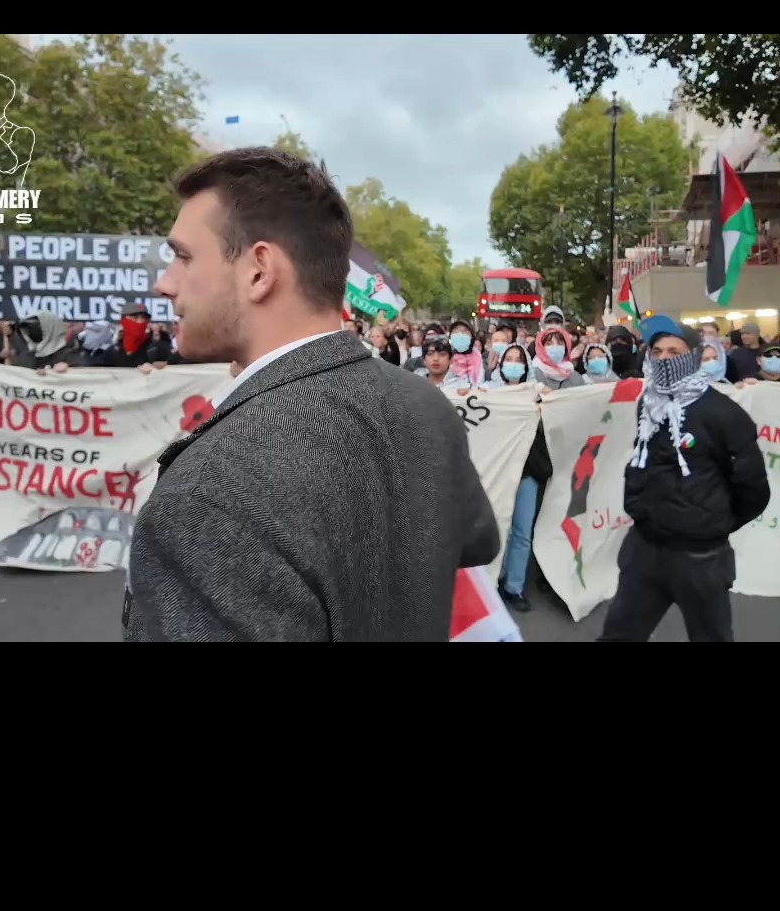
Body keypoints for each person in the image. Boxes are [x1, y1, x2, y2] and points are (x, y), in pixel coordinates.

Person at [122, 146, 499, 642]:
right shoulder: (426, 406)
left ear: (259, 270)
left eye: (183, 256)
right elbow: (476, 541)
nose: (164, 284)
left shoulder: (205, 495)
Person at [597, 322, 770, 643]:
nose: (664, 359)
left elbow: (753, 489)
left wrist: (710, 522)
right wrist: (638, 506)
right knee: (618, 634)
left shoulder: (723, 414)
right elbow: (641, 460)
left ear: (692, 357)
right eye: (657, 352)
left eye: (674, 352)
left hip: (699, 559)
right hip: (645, 550)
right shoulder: (648, 404)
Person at [492, 344, 551, 614]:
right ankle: (493, 580)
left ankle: (513, 587)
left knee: (521, 531)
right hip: (499, 470)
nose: (513, 364)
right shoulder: (487, 392)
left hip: (527, 471)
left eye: (519, 359)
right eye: (509, 359)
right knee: (496, 527)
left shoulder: (536, 393)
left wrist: (545, 403)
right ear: (501, 364)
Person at [532, 323, 583, 390]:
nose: (555, 347)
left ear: (566, 347)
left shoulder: (575, 377)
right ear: (542, 348)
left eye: (560, 343)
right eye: (549, 344)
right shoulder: (533, 375)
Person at [447, 319, 485, 389]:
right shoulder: (446, 354)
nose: (460, 334)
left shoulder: (477, 355)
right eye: (456, 331)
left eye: (465, 331)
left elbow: (480, 380)